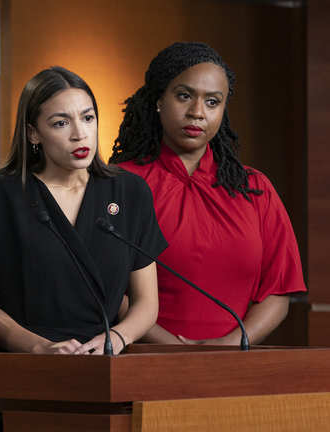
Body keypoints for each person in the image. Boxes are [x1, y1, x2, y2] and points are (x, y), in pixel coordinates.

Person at [0, 66, 167, 432]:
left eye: (88, 117)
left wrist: (114, 340)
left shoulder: (128, 192)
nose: (81, 133)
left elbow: (147, 304)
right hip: (18, 384)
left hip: (105, 384)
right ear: (33, 133)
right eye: (61, 122)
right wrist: (39, 347)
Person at [110, 42, 305, 345]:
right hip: (143, 362)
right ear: (159, 99)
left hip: (232, 368)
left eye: (212, 102)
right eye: (184, 96)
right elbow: (108, 287)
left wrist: (226, 346)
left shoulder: (255, 188)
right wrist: (172, 349)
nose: (197, 112)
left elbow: (278, 291)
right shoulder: (121, 184)